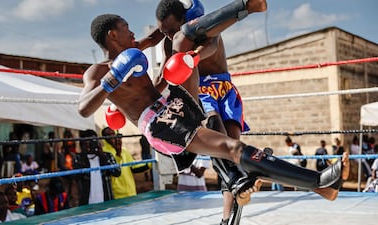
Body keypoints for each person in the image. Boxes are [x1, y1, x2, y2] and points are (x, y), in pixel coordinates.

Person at [78, 2, 349, 210]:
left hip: (172, 104)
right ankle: (318, 183)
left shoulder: (136, 49)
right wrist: (111, 80)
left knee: (184, 41)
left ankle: (239, 175)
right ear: (113, 34)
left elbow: (162, 38)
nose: (132, 31)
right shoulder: (97, 71)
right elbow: (84, 108)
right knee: (234, 148)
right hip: (160, 123)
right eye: (126, 28)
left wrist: (170, 24)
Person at [153, 1, 257, 222]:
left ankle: (229, 216)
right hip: (201, 91)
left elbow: (212, 45)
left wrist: (193, 57)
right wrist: (148, 100)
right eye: (165, 32)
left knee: (232, 149)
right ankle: (237, 189)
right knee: (214, 130)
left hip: (224, 88)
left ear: (185, 20)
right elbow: (164, 76)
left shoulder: (204, 28)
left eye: (172, 30)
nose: (170, 36)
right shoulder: (168, 43)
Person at [101, 127, 150, 199]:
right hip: (117, 194)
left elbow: (134, 167)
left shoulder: (124, 151)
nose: (112, 136)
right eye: (108, 135)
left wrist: (149, 163)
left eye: (113, 134)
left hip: (131, 191)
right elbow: (115, 171)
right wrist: (118, 152)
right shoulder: (104, 153)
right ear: (104, 138)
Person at [75, 129, 121, 205]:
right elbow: (76, 176)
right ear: (82, 143)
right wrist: (84, 153)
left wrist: (102, 155)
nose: (91, 144)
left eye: (93, 141)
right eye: (88, 141)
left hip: (106, 201)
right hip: (87, 204)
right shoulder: (78, 158)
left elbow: (117, 172)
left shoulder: (107, 155)